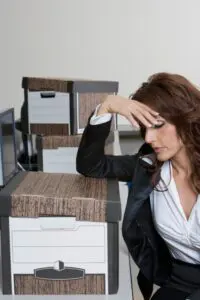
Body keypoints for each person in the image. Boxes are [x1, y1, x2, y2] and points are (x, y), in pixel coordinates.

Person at [76, 72, 200, 300]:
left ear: (185, 118)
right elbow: (91, 165)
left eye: (158, 125)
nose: (149, 138)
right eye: (144, 128)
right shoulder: (148, 168)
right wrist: (107, 106)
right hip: (177, 283)